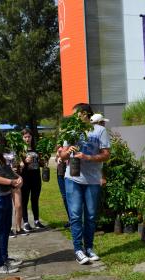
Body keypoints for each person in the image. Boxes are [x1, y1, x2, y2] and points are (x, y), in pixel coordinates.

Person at [60, 103, 110, 265]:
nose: (74, 117)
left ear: (84, 114)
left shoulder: (100, 131)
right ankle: (78, 250)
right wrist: (68, 152)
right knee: (75, 215)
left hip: (92, 179)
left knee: (90, 216)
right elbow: (63, 155)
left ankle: (89, 247)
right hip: (73, 178)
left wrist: (88, 157)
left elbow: (106, 154)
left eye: (76, 114)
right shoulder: (71, 131)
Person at [0, 148, 23, 274]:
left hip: (5, 194)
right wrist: (11, 182)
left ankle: (4, 258)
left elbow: (6, 170)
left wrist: (18, 177)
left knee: (5, 229)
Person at [21, 128, 45, 232]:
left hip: (36, 177)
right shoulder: (20, 149)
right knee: (24, 200)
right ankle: (25, 222)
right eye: (25, 137)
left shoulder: (36, 148)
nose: (27, 139)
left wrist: (43, 161)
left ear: (32, 137)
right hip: (25, 177)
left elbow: (40, 163)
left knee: (35, 199)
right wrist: (24, 162)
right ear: (22, 138)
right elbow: (17, 165)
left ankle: (36, 221)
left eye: (29, 136)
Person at [56, 146, 70, 228]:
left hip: (70, 172)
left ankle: (75, 219)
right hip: (60, 173)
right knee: (64, 197)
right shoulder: (60, 144)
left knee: (71, 196)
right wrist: (58, 156)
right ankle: (71, 219)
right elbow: (57, 159)